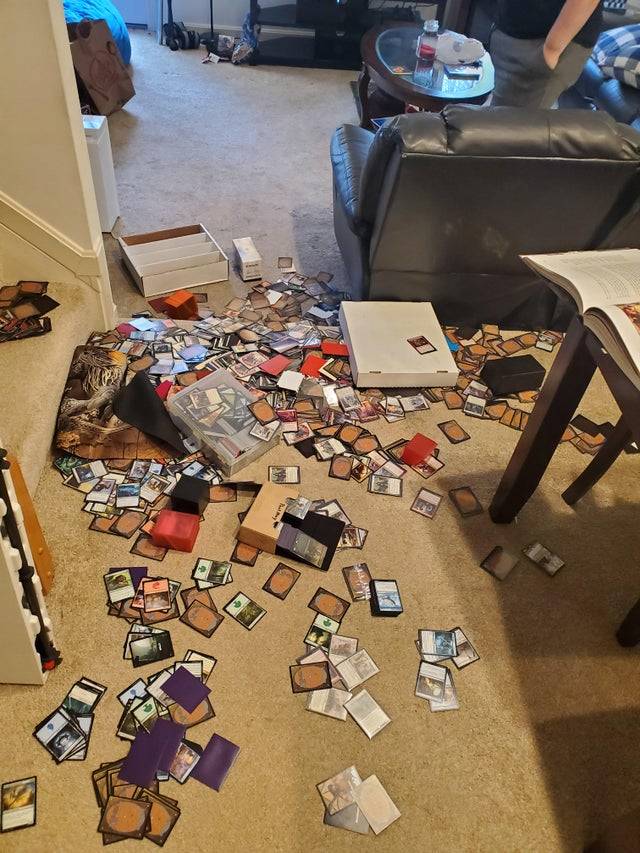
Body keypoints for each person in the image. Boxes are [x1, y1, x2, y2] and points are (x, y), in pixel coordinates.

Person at [490, 0, 604, 108]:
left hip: (542, 43)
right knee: (500, 115)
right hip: (510, 27)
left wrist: (551, 49)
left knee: (511, 123)